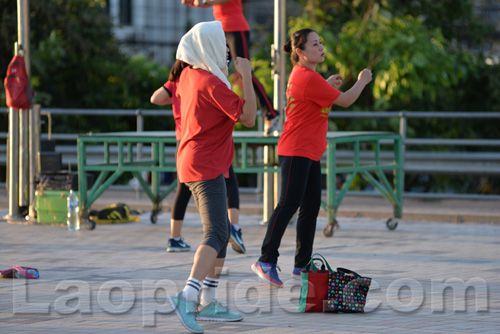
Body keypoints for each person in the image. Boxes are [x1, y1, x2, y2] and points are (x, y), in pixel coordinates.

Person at [251, 28, 373, 288]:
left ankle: (302, 264)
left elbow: (313, 100)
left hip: (308, 151)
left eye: (321, 42)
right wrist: (362, 80)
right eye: (315, 44)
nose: (320, 47)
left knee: (311, 207)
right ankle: (265, 260)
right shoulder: (306, 77)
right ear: (300, 52)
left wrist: (327, 85)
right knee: (288, 205)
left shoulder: (309, 76)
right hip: (296, 150)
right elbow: (347, 100)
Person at [167, 21, 257, 334]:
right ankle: (187, 297)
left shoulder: (189, 75)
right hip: (204, 165)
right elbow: (248, 117)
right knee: (218, 232)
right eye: (223, 46)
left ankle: (209, 300)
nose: (228, 53)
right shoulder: (210, 82)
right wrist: (246, 76)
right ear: (209, 48)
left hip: (199, 161)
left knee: (217, 232)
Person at [150, 61, 246, 254]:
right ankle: (234, 227)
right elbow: (245, 115)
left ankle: (174, 237)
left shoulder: (180, 80)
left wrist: (176, 98)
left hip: (183, 139)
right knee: (230, 181)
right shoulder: (204, 78)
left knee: (182, 190)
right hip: (205, 140)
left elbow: (155, 98)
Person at [182, 0, 279, 127]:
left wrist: (204, 1)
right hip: (220, 30)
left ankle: (271, 113)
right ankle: (216, 112)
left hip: (236, 28)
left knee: (244, 70)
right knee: (213, 68)